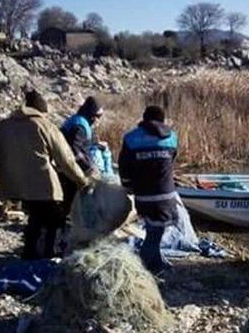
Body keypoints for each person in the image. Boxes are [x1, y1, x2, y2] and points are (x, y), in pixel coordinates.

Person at [0, 90, 90, 259]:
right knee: (54, 218)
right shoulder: (44, 126)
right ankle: (47, 254)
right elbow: (66, 159)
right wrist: (82, 180)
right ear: (41, 110)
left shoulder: (2, 126)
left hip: (14, 183)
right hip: (42, 183)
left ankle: (30, 251)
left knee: (35, 217)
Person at [118, 105, 178, 274]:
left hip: (143, 196)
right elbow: (172, 160)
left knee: (153, 230)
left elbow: (124, 166)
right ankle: (145, 267)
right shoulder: (172, 137)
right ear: (162, 120)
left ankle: (154, 263)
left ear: (144, 119)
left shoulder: (131, 138)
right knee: (155, 232)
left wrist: (127, 185)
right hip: (166, 195)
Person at [59, 95, 111, 216]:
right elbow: (74, 149)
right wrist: (88, 167)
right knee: (72, 195)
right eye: (98, 116)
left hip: (71, 165)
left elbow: (86, 143)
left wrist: (97, 145)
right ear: (91, 114)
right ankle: (63, 225)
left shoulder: (82, 121)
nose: (98, 120)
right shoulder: (80, 126)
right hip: (69, 167)